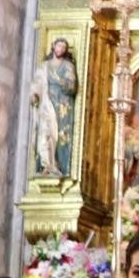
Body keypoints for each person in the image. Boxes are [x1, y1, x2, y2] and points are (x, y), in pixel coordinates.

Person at [30, 38, 77, 177]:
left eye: (63, 47)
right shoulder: (44, 66)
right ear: (53, 47)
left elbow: (72, 86)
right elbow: (36, 83)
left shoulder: (68, 66)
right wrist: (35, 95)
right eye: (58, 46)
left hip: (61, 105)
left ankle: (56, 164)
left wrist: (61, 82)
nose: (60, 49)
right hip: (46, 103)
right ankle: (46, 165)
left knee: (59, 136)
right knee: (45, 133)